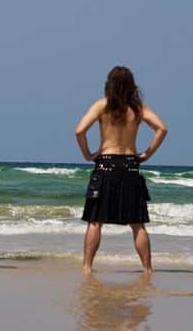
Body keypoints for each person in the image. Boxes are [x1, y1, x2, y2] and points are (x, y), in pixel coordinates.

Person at [74, 66, 167, 274]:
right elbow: (162, 128)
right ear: (132, 85)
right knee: (137, 223)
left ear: (109, 84)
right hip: (130, 166)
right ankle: (147, 269)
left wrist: (88, 154)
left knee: (95, 221)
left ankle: (87, 267)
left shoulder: (102, 105)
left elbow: (79, 130)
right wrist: (146, 154)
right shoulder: (137, 108)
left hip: (105, 163)